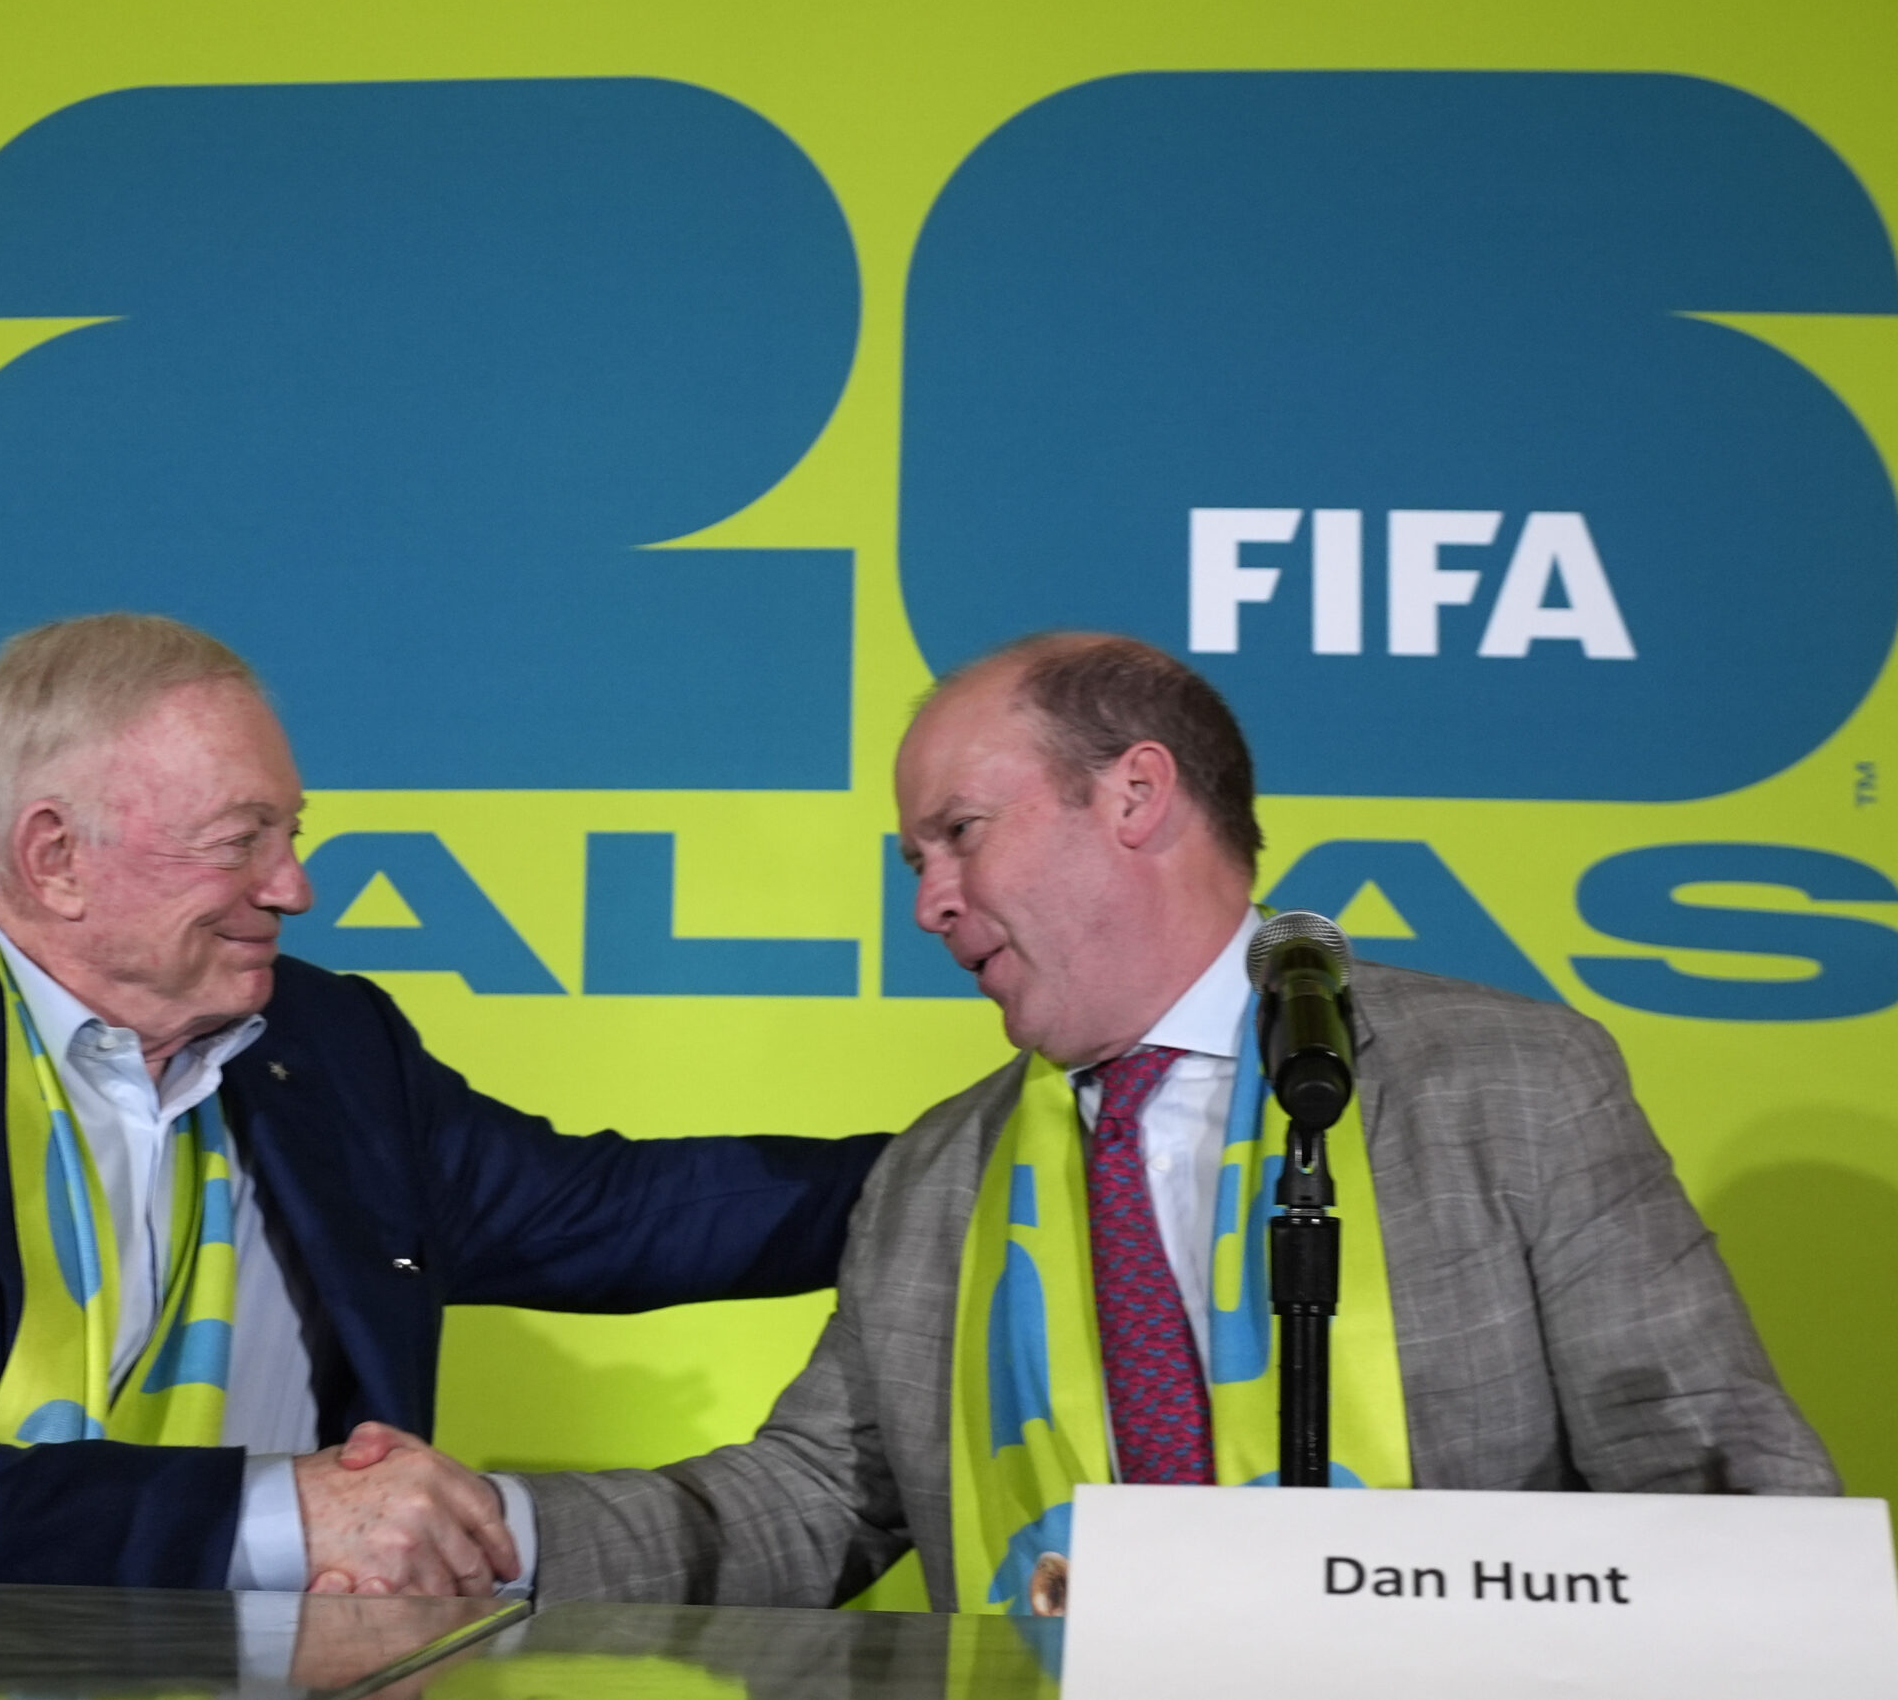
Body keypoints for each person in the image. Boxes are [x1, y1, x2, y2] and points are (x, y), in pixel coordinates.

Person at [463, 631, 1837, 1611]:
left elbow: (1723, 1484)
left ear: (1133, 793)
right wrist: (491, 1527)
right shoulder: (939, 1172)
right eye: (914, 861)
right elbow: (810, 1500)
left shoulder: (1510, 1085)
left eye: (958, 833)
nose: (930, 900)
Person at [0, 613, 889, 1595]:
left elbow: (623, 1215)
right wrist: (274, 1513)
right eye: (241, 840)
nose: (292, 887)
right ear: (54, 858)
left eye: (291, 834)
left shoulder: (326, 1043)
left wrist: (974, 1166)